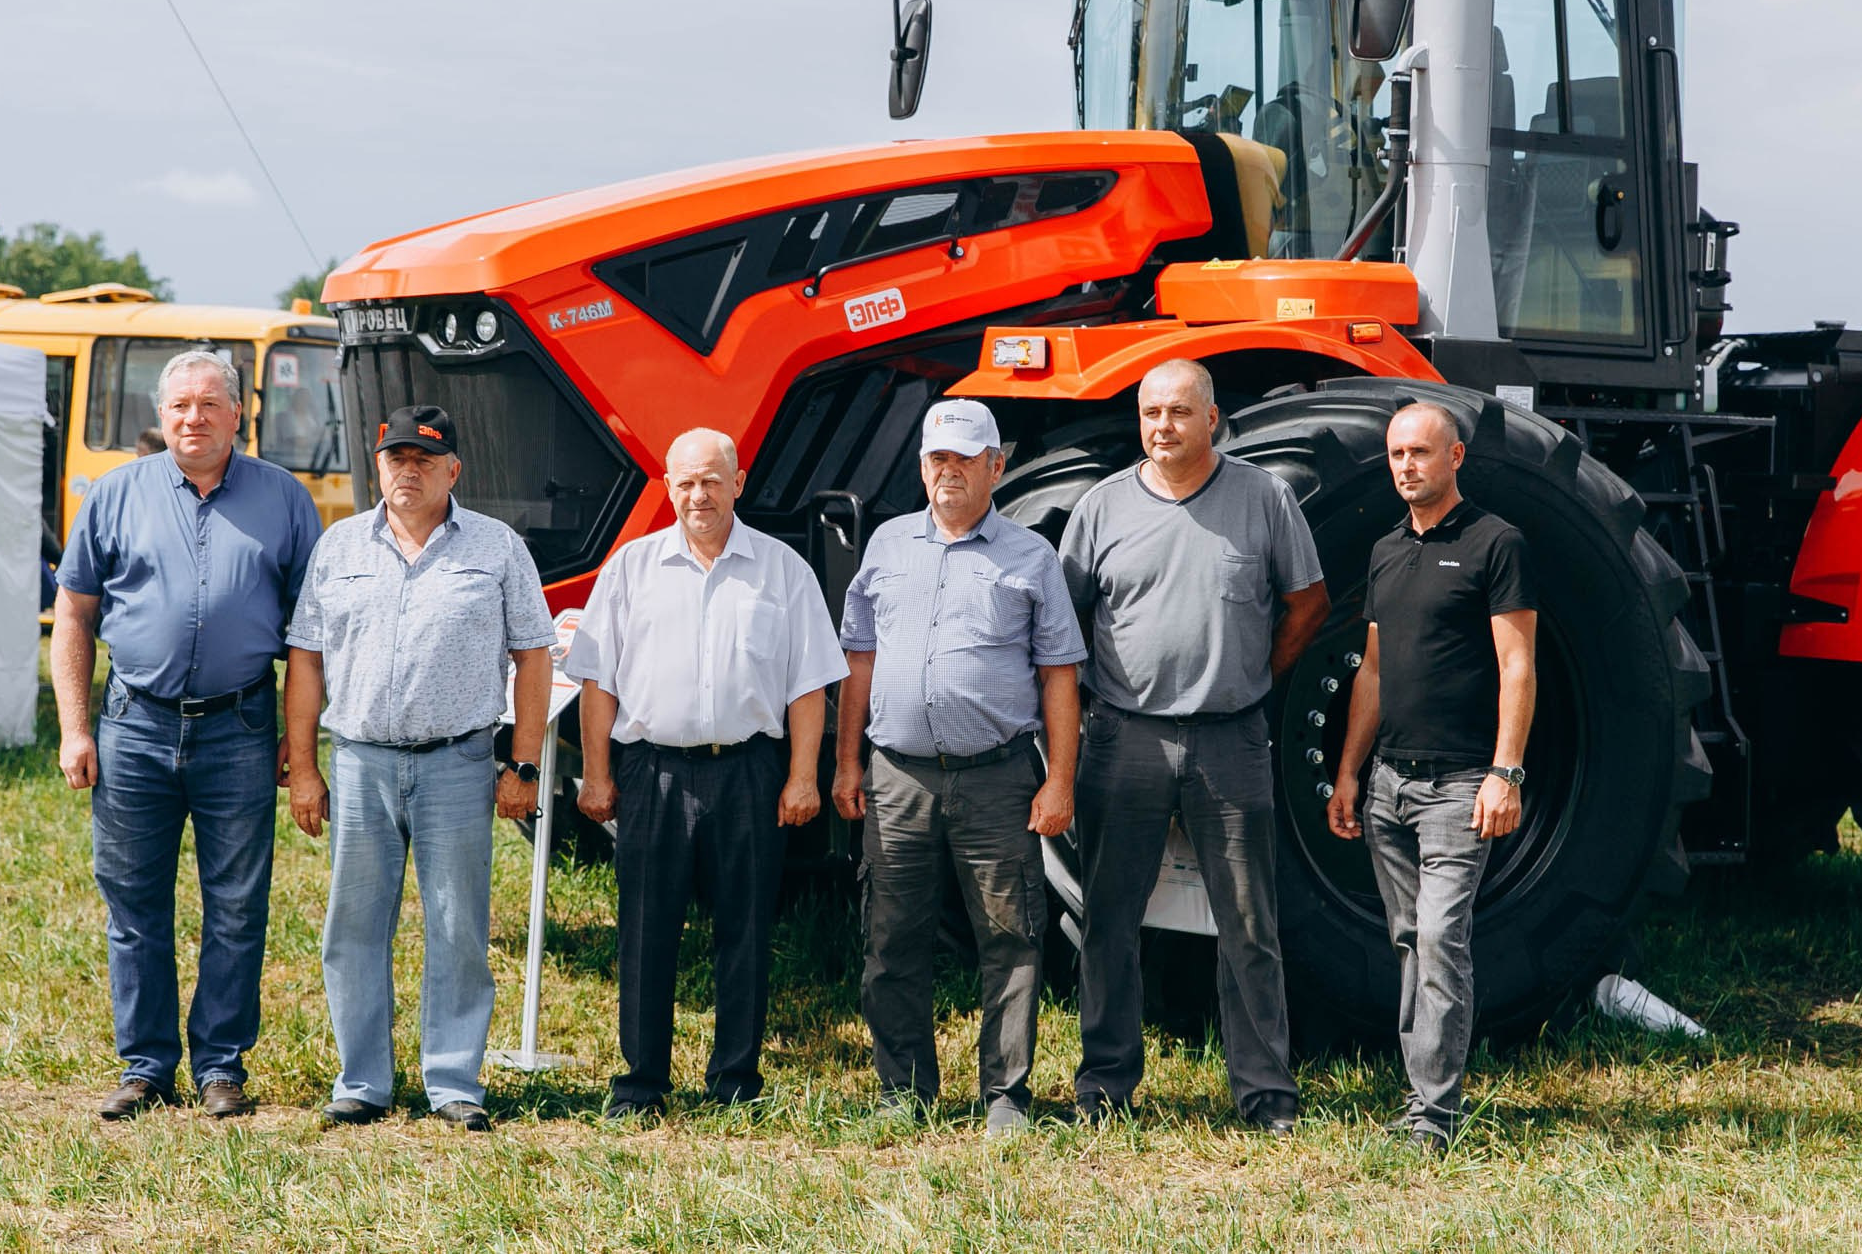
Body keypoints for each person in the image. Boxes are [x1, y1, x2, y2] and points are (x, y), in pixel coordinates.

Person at [1058, 358, 1329, 1135]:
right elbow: (1062, 626)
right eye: (1151, 412)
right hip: (1125, 738)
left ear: (1212, 418)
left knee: (1249, 924)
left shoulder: (1263, 498)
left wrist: (1253, 674)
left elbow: (1309, 603)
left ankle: (1266, 1094)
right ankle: (1105, 1086)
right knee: (1109, 921)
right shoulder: (1102, 507)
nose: (1163, 426)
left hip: (1230, 738)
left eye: (1179, 411)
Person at [51, 349, 320, 1120]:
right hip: (134, 726)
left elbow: (309, 635)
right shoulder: (115, 494)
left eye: (208, 404)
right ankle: (145, 1065)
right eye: (179, 406)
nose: (193, 418)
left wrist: (300, 747)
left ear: (238, 414)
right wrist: (74, 728)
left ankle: (221, 1066)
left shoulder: (285, 499)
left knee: (236, 905)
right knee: (134, 903)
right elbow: (74, 612)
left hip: (240, 727)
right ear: (160, 415)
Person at [282, 405, 556, 1132]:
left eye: (425, 460)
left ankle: (454, 1081)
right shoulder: (339, 545)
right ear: (378, 466)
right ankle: (362, 1081)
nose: (409, 471)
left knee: (459, 926)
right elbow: (306, 660)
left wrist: (524, 762)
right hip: (360, 762)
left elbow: (534, 656)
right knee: (352, 927)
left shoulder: (497, 547)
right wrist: (304, 767)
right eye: (396, 458)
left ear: (453, 470)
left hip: (458, 762)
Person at [569, 428, 847, 1117]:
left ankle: (735, 1081)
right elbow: (598, 683)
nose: (699, 495)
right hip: (652, 772)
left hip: (749, 772)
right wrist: (597, 775)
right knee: (645, 929)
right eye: (687, 482)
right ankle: (642, 1084)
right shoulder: (631, 569)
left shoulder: (783, 571)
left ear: (738, 483)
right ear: (668, 487)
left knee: (745, 929)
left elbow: (809, 685)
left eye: (712, 481)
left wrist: (802, 776)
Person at [833, 399, 1085, 1139]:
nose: (949, 471)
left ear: (996, 466)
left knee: (1011, 938)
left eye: (965, 459)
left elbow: (1059, 676)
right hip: (897, 777)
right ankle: (903, 1089)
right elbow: (858, 660)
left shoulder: (1031, 556)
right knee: (891, 938)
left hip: (996, 777)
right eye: (937, 458)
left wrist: (1059, 780)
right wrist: (846, 762)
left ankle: (1005, 1095)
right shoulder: (887, 545)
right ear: (922, 467)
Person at [1327, 400, 1536, 1154]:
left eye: (1420, 452)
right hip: (1388, 784)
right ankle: (1422, 1096)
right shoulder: (1386, 550)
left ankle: (1435, 1117)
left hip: (1460, 785)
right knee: (1411, 940)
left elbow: (1518, 665)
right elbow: (1373, 671)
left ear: (1455, 456)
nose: (1406, 466)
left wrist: (1505, 772)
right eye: (1396, 454)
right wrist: (1349, 773)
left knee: (1443, 938)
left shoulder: (1495, 543)